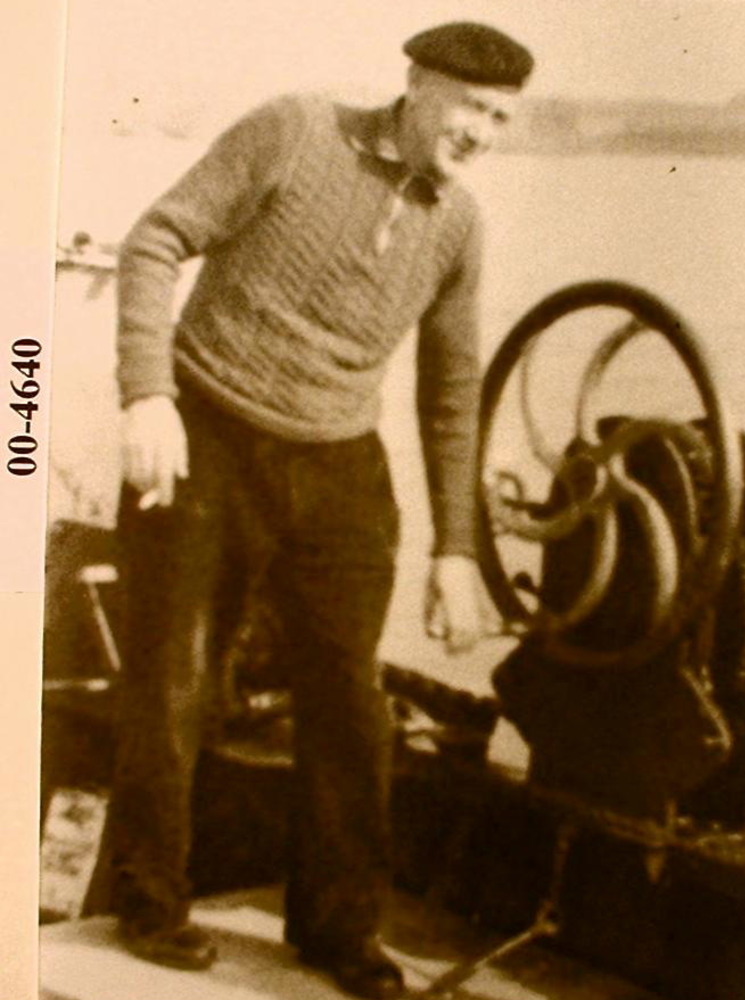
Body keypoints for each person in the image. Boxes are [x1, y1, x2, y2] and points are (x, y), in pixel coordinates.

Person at [109, 20, 533, 1000]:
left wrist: (456, 550)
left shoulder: (460, 226)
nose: (480, 133)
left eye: (500, 119)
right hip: (205, 429)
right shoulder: (296, 130)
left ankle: (337, 930)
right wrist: (146, 395)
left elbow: (450, 391)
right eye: (470, 107)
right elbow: (153, 241)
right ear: (417, 85)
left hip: (340, 461)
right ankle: (149, 903)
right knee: (173, 681)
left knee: (351, 703)